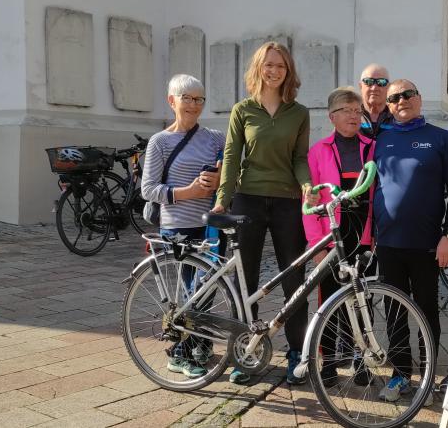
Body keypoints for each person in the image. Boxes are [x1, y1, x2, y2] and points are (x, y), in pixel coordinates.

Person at [213, 41, 311, 386]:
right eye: (268, 65)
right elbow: (230, 156)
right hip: (249, 200)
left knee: (294, 281)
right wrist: (223, 199)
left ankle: (297, 354)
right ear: (258, 68)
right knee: (246, 282)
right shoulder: (243, 110)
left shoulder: (298, 113)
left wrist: (307, 185)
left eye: (280, 66)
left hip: (287, 202)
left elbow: (300, 158)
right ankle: (247, 352)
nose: (274, 71)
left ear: (288, 72)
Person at [372, 79, 448, 403]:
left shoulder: (440, 138)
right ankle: (400, 375)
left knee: (427, 311)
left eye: (408, 94)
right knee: (394, 311)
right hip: (388, 243)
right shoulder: (380, 139)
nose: (402, 101)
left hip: (427, 243)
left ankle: (427, 376)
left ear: (419, 98)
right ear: (389, 105)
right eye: (395, 98)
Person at [140, 74, 224, 379]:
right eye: (186, 98)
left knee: (207, 287)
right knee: (192, 291)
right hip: (177, 227)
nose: (192, 104)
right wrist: (189, 192)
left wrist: (219, 180)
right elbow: (148, 189)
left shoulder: (215, 137)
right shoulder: (160, 141)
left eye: (199, 99)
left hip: (209, 225)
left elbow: (230, 169)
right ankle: (181, 353)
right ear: (171, 100)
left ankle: (196, 344)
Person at [302, 87, 376, 387]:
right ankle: (329, 361)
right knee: (329, 299)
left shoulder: (372, 147)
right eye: (347, 110)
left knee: (363, 298)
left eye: (358, 110)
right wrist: (316, 245)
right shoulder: (318, 150)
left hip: (363, 233)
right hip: (331, 235)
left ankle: (362, 360)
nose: (354, 115)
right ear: (332, 116)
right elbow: (309, 201)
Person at [358, 63, 394, 137]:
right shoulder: (350, 116)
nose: (374, 88)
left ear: (389, 87)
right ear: (360, 86)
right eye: (369, 81)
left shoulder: (398, 117)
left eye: (381, 82)